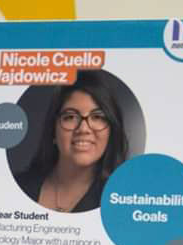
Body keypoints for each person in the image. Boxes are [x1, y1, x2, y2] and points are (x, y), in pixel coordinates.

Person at [16, 70, 129, 213]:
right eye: (70, 117)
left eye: (97, 117)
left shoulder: (122, 201)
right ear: (53, 130)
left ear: (111, 131)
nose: (83, 129)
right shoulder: (17, 185)